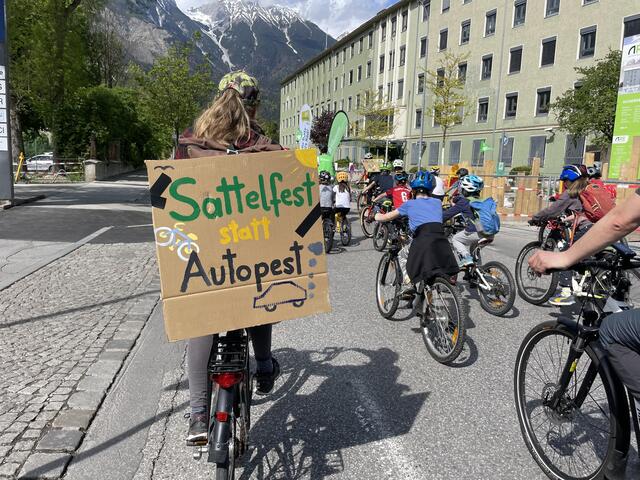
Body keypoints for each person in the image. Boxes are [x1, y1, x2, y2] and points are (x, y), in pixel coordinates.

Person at [177, 71, 281, 444]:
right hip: (250, 249)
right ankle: (265, 366)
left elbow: (167, 198)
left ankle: (197, 413)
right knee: (260, 296)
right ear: (253, 105)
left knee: (202, 318)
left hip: (205, 254)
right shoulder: (261, 145)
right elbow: (292, 182)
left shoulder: (188, 145)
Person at [529, 190, 640, 419]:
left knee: (611, 330)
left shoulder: (574, 194)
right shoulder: (594, 190)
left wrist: (565, 257)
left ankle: (567, 290)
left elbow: (622, 219)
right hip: (607, 238)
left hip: (594, 235)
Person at [374, 171, 459, 290]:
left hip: (422, 240)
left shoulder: (409, 204)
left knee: (402, 255)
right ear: (431, 190)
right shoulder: (437, 203)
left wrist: (377, 216)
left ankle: (408, 285)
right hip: (440, 240)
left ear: (413, 190)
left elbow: (387, 217)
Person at [529, 164, 591, 306]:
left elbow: (553, 210)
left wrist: (536, 218)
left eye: (565, 180)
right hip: (599, 227)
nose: (564, 184)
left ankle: (565, 292)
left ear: (569, 179)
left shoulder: (571, 192)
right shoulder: (588, 189)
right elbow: (582, 213)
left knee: (566, 256)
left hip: (585, 229)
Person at [443, 175, 486, 268]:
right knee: (474, 248)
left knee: (456, 239)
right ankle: (478, 271)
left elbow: (446, 215)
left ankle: (466, 258)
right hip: (489, 233)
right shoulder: (483, 201)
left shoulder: (464, 202)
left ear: (465, 190)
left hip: (476, 232)